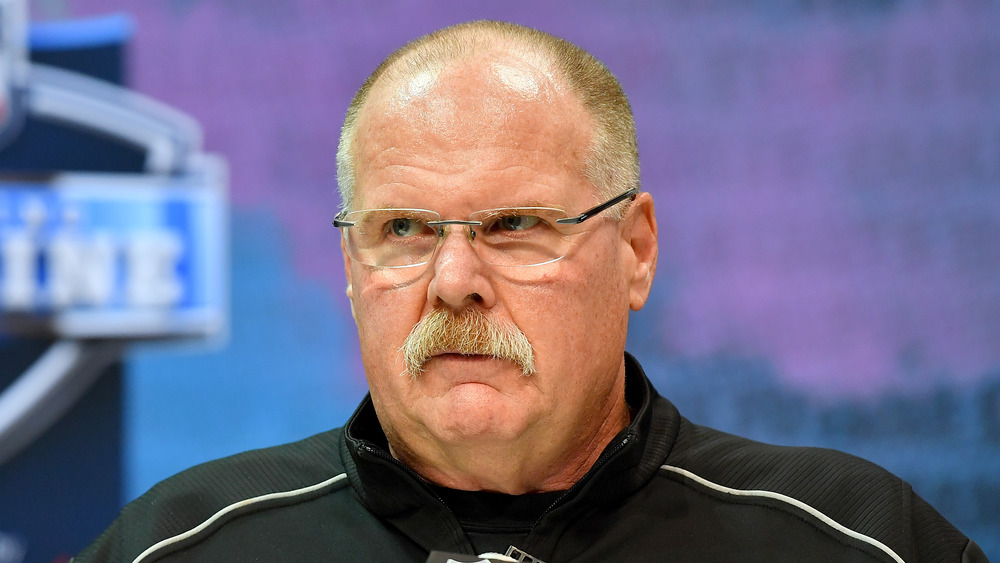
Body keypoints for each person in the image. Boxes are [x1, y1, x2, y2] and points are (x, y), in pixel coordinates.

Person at [75, 20, 987, 563]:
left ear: (635, 250)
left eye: (514, 226)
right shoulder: (182, 545)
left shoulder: (854, 542)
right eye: (404, 230)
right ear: (352, 269)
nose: (456, 282)